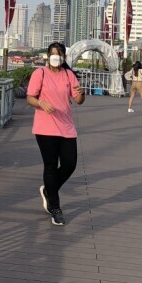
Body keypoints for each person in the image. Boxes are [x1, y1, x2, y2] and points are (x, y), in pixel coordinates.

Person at [27, 42, 85, 226]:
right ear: (47, 56)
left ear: (63, 57)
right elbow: (30, 97)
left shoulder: (68, 75)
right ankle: (55, 208)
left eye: (59, 54)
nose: (55, 57)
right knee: (50, 166)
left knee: (70, 164)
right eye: (52, 54)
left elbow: (78, 100)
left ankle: (49, 191)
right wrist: (41, 103)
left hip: (66, 127)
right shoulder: (40, 74)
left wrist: (81, 93)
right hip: (45, 127)